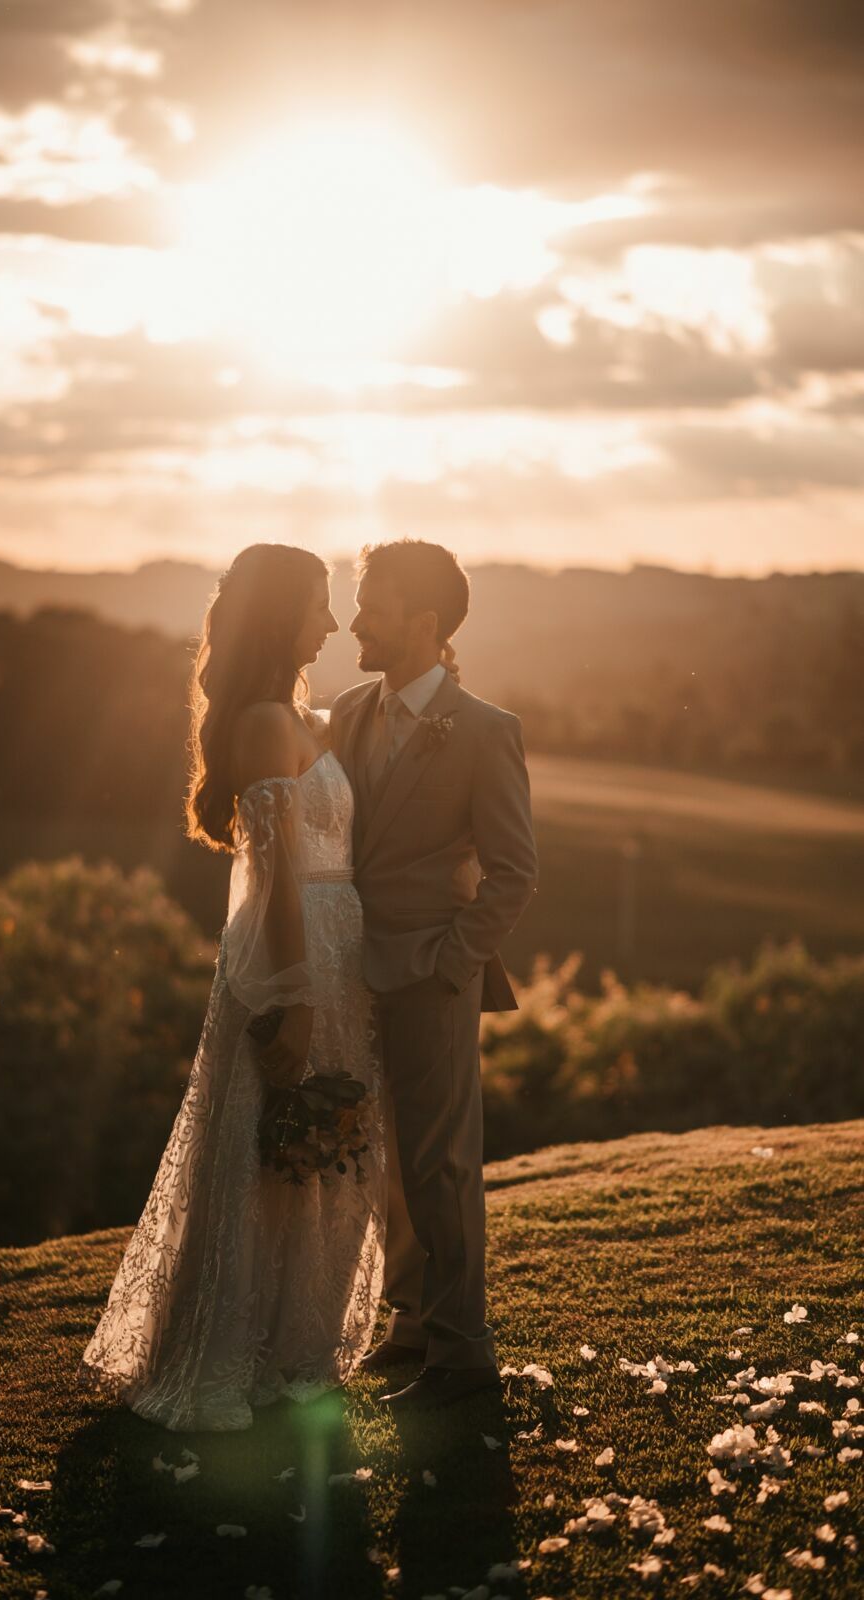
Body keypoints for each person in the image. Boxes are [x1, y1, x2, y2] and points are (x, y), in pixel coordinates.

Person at [77, 544, 386, 1432]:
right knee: (271, 1143)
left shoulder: (298, 715)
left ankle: (296, 1345)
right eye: (320, 605)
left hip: (339, 949)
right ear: (279, 615)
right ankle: (233, 1351)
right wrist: (291, 996)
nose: (331, 623)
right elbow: (281, 873)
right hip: (297, 953)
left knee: (322, 1143)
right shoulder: (259, 723)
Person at [330, 539, 538, 1412]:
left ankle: (462, 1352)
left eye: (370, 604)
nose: (352, 620)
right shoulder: (346, 710)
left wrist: (454, 963)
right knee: (383, 1161)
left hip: (432, 974)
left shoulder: (486, 730)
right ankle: (411, 1323)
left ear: (423, 624)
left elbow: (514, 872)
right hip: (349, 972)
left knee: (441, 1163)